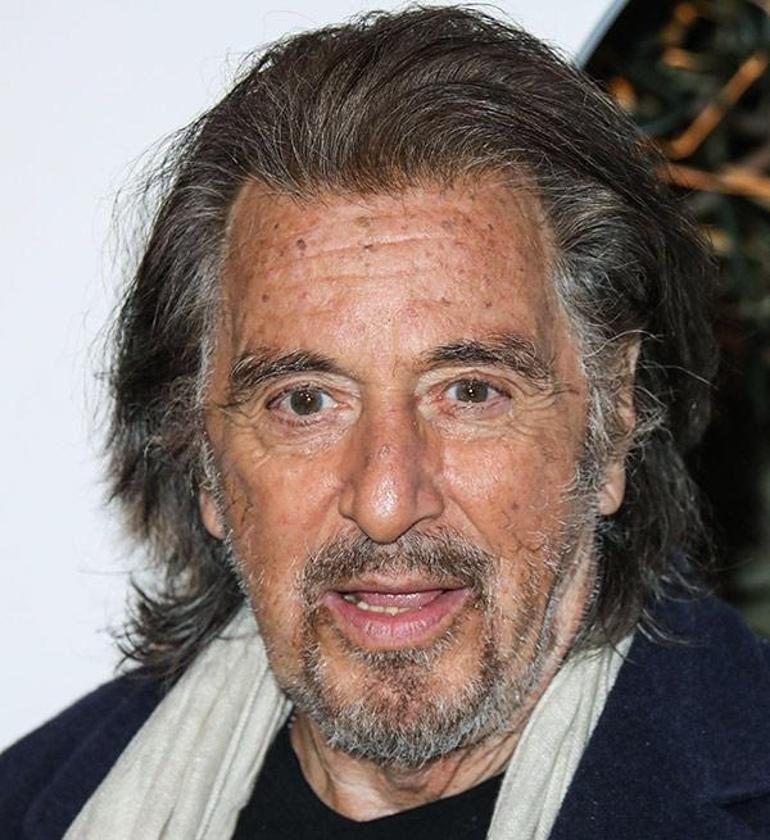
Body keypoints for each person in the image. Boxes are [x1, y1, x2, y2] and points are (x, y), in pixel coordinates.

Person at [3, 6, 769, 839]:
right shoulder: (38, 804)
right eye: (304, 401)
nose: (386, 500)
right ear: (203, 456)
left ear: (613, 417)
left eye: (470, 392)